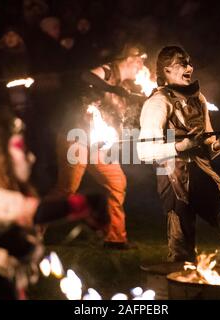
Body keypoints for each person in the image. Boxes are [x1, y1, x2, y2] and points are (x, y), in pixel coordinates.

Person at [0, 117, 107, 299]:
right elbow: (30, 212)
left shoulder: (5, 187)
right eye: (22, 149)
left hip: (1, 279)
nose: (30, 157)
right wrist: (84, 204)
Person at [137, 46, 220, 262]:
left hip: (202, 173)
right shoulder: (158, 102)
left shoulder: (200, 99)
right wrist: (183, 145)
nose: (190, 67)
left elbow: (206, 148)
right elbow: (144, 151)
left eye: (189, 62)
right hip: (174, 179)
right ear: (167, 70)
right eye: (183, 63)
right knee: (182, 250)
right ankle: (181, 289)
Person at [48, 45, 146, 250]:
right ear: (127, 58)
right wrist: (112, 89)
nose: (142, 65)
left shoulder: (124, 85)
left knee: (116, 181)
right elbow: (87, 76)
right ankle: (32, 229)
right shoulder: (108, 71)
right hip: (75, 137)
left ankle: (116, 238)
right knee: (67, 189)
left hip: (95, 144)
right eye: (140, 59)